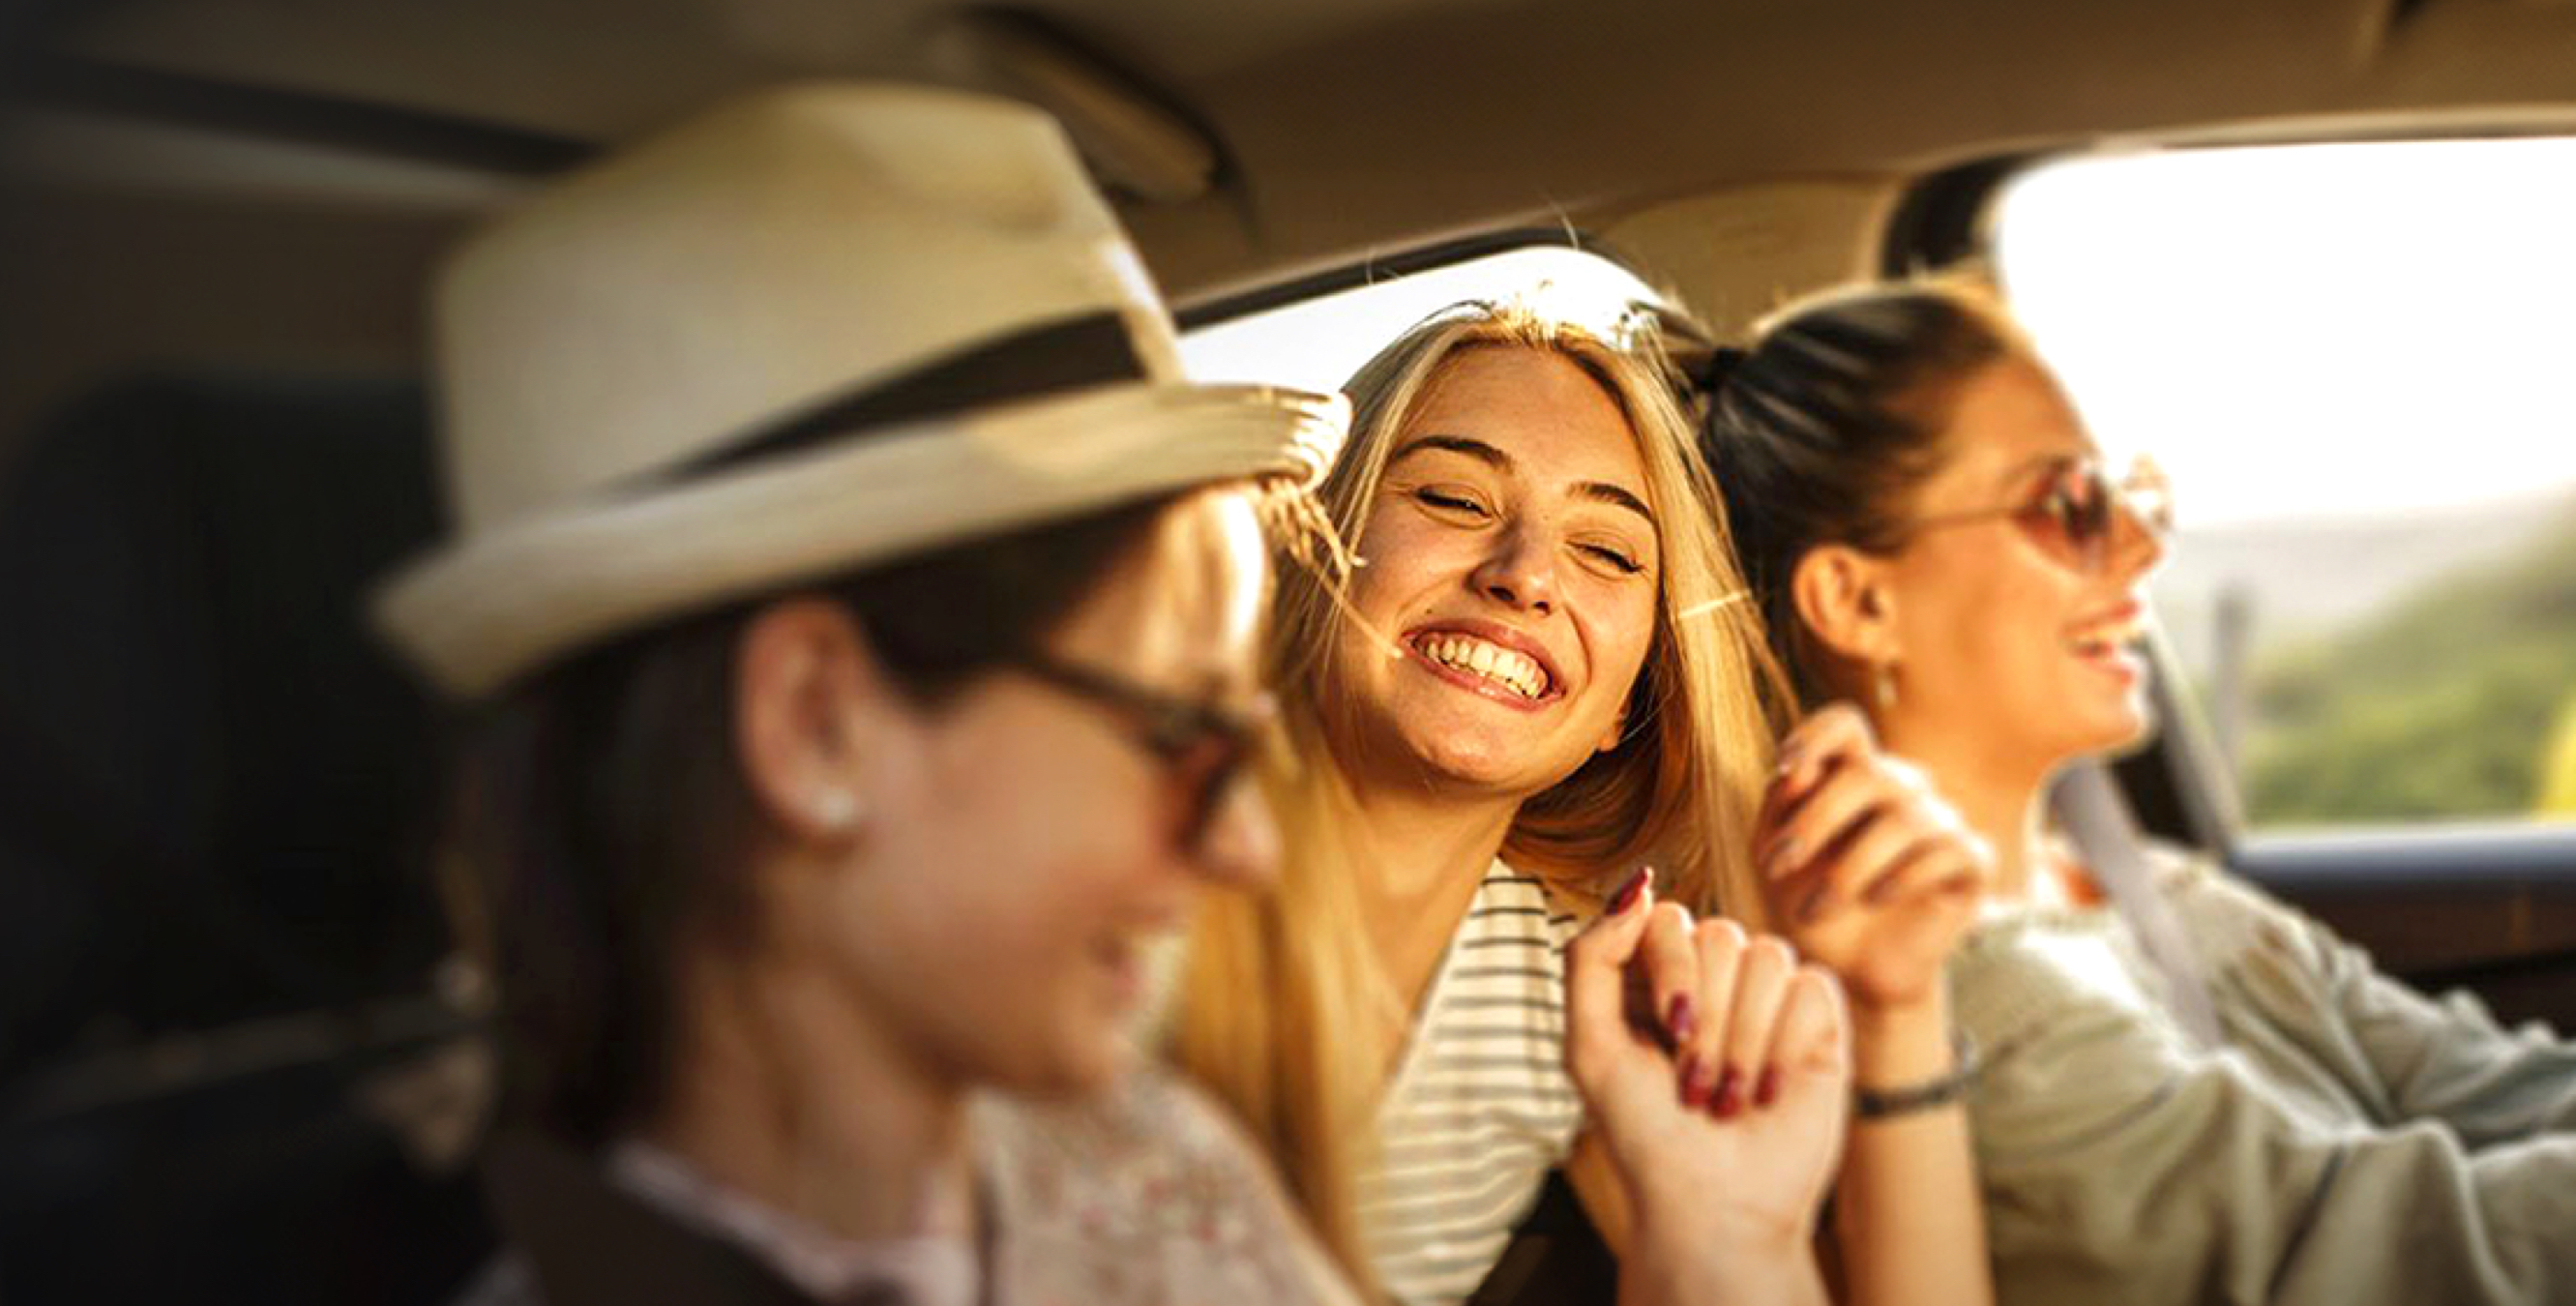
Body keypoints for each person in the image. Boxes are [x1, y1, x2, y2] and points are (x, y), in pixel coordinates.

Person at [381, 83, 1843, 1306]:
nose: (1246, 848)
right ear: (815, 722)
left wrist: (1723, 1239)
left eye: (1606, 549)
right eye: (1170, 731)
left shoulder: (1134, 1172)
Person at [1695, 277, 2576, 1303]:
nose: (2144, 546)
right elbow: (2425, 1259)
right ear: (1855, 599)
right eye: (2067, 505)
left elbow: (2484, 1084)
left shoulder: (2155, 891)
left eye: (2127, 496)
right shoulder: (1973, 1007)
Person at [1170, 303, 1995, 1306]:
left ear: (1623, 707)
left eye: (1606, 551)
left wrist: (1897, 1011)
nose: (1524, 577)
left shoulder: (1577, 992)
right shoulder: (1117, 887)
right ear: (1309, 551)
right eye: (1453, 497)